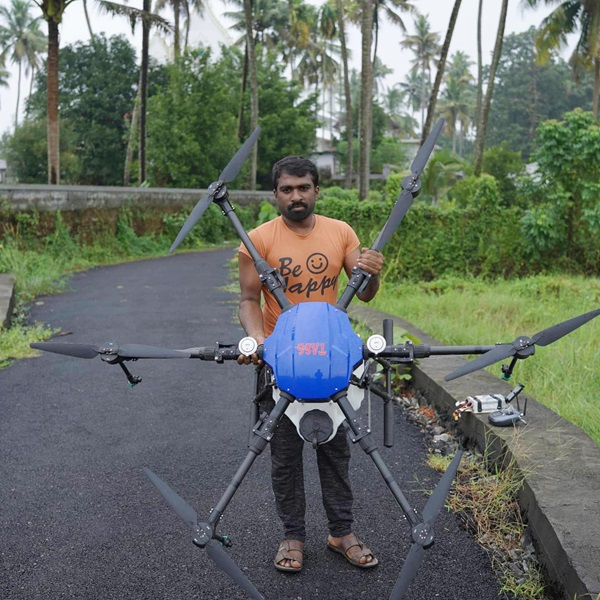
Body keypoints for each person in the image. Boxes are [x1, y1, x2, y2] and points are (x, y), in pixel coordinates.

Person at [237, 156, 384, 573]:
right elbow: (248, 300)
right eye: (287, 189)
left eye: (303, 187)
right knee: (284, 456)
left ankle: (341, 532)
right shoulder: (256, 241)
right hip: (281, 364)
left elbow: (365, 292)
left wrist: (373, 273)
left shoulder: (341, 232)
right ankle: (293, 536)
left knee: (336, 452)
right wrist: (257, 340)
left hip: (331, 362)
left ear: (317, 190)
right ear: (275, 195)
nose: (296, 196)